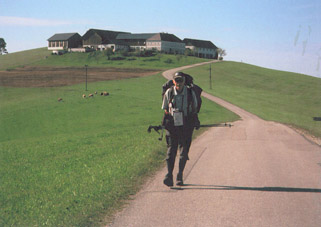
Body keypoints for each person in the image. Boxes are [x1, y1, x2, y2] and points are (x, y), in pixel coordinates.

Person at [161, 72, 198, 186]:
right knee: (171, 152)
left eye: (181, 80)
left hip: (186, 125)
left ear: (184, 81)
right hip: (172, 126)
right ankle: (169, 175)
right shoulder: (169, 92)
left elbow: (194, 109)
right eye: (176, 80)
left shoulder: (190, 93)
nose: (179, 82)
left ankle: (180, 175)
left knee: (183, 152)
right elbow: (165, 109)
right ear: (173, 81)